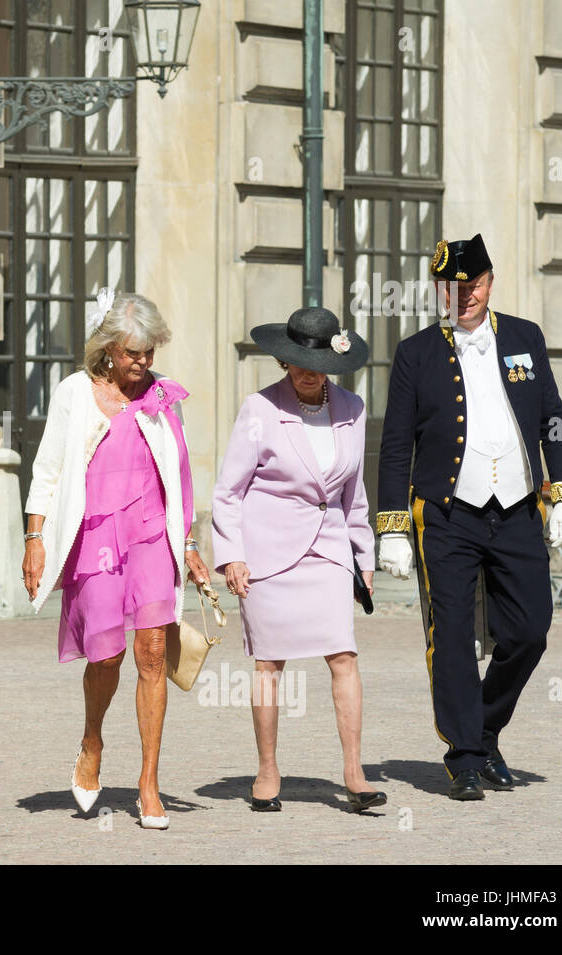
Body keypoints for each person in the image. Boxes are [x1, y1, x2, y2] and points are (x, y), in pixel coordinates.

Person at [376, 234, 562, 800]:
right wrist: (392, 525)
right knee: (453, 639)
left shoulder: (524, 337)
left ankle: (485, 729)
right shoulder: (416, 352)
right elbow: (396, 445)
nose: (465, 294)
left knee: (531, 630)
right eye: (453, 286)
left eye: (474, 284)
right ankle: (464, 754)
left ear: (491, 282)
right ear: (439, 289)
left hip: (515, 507)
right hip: (446, 512)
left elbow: (553, 416)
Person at [22, 289, 210, 831]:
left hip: (151, 536)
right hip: (96, 535)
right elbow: (48, 468)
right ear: (107, 349)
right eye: (133, 352)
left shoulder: (162, 398)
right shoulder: (75, 393)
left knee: (152, 652)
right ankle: (91, 741)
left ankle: (149, 783)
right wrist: (34, 536)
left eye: (149, 351)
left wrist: (190, 545)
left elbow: (180, 476)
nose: (143, 362)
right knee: (105, 657)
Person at [210, 306, 385, 813]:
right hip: (267, 553)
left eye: (316, 362)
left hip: (328, 549)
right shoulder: (259, 409)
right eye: (296, 361)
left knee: (344, 655)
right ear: (283, 361)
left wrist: (363, 555)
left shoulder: (353, 407)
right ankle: (267, 771)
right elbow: (228, 492)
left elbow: (354, 495)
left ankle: (354, 772)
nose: (307, 371)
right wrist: (232, 556)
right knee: (269, 662)